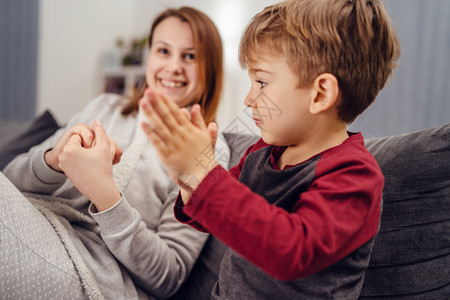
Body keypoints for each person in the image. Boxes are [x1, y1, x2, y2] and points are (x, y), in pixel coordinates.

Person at [140, 0, 401, 299]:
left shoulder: (355, 176)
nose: (249, 99)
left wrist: (205, 175)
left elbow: (291, 251)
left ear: (321, 93)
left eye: (262, 82)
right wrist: (190, 175)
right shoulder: (262, 152)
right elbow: (211, 215)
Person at [2, 6, 228, 300]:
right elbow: (9, 178)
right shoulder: (105, 107)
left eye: (190, 56)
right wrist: (52, 160)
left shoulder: (208, 149)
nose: (173, 66)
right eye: (163, 51)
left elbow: (168, 277)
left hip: (94, 274)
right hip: (38, 225)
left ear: (210, 67)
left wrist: (104, 194)